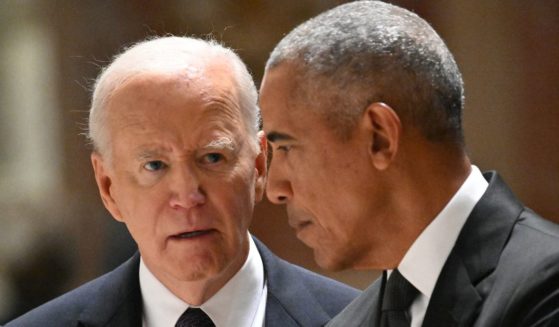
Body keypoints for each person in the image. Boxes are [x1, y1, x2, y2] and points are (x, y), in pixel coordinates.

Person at [6, 36, 359, 327]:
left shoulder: (363, 321)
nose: (188, 195)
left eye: (212, 158)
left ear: (259, 166)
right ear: (108, 188)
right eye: (155, 166)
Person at [259, 1, 559, 326]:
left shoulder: (547, 288)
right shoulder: (345, 323)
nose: (275, 189)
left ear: (380, 138)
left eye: (287, 147)